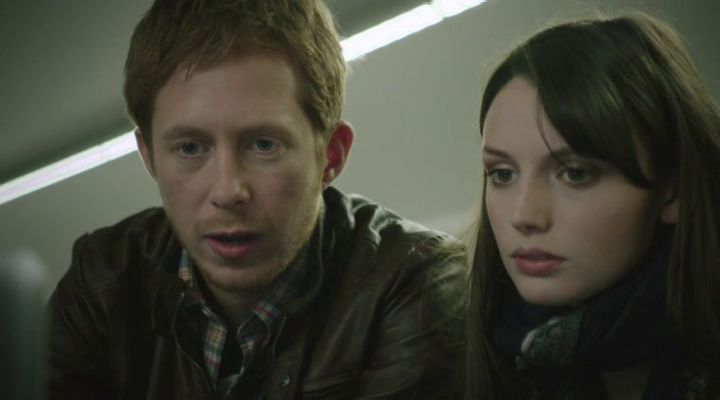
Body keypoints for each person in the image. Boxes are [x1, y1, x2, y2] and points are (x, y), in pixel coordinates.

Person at [46, 0, 465, 398]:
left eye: (264, 145)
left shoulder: (414, 281)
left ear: (331, 155)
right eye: (190, 148)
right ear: (149, 156)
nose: (228, 191)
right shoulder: (101, 282)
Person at [463, 12, 720, 399]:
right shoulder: (478, 351)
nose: (523, 216)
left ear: (672, 191)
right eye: (502, 174)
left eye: (575, 174)